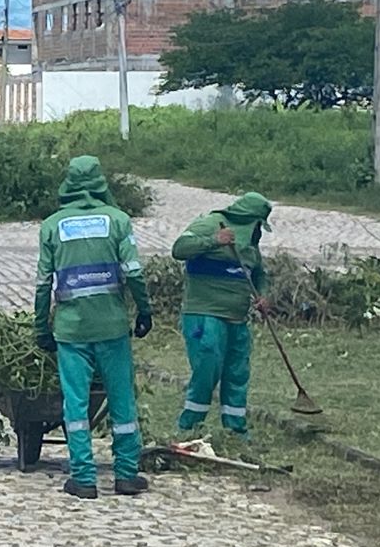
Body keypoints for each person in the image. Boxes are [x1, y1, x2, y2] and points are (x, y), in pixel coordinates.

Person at [33, 155, 153, 499]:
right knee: (121, 401)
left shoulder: (52, 226)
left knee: (76, 403)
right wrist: (144, 310)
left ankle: (83, 478)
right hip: (112, 327)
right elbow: (133, 272)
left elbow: (43, 284)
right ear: (101, 182)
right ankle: (126, 474)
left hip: (71, 330)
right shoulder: (118, 221)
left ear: (67, 183)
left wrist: (41, 328)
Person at [170, 191, 273, 437]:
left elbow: (259, 274)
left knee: (237, 372)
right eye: (258, 225)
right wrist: (215, 241)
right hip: (205, 314)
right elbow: (179, 249)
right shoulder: (210, 224)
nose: (259, 231)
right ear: (250, 219)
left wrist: (263, 295)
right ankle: (189, 425)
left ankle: (235, 429)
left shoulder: (250, 245)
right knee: (208, 367)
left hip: (237, 318)